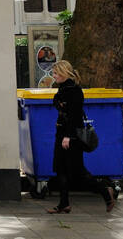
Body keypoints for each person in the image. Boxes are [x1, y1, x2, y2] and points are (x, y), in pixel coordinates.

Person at [50, 60, 117, 213]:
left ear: (63, 73)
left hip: (71, 136)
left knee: (78, 172)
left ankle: (106, 192)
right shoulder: (62, 89)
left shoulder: (74, 91)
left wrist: (68, 136)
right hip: (61, 133)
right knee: (60, 169)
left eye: (55, 73)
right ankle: (64, 204)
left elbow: (74, 116)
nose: (54, 76)